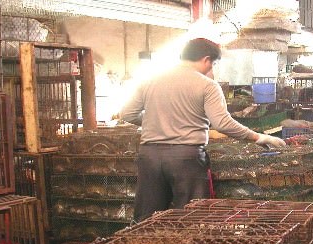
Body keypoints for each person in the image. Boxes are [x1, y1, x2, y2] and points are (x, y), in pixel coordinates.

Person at [119, 38, 286, 222]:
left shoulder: (150, 80)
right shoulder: (207, 85)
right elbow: (222, 123)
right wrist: (257, 137)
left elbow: (126, 113)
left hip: (149, 156)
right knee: (192, 215)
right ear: (206, 60)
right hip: (185, 158)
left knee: (146, 217)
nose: (212, 69)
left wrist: (155, 122)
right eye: (213, 64)